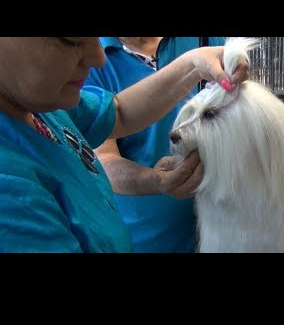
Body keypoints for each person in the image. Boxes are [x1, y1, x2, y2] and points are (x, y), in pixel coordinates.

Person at [0, 37, 248, 253]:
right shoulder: (11, 194)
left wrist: (192, 64)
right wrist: (153, 180)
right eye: (71, 40)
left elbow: (118, 113)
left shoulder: (43, 107)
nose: (98, 58)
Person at [87, 37, 225, 253]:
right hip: (147, 240)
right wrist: (154, 180)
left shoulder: (204, 40)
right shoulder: (91, 58)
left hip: (224, 229)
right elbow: (103, 159)